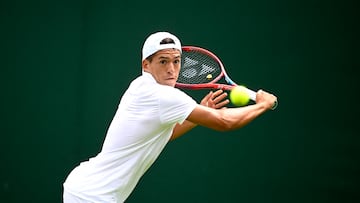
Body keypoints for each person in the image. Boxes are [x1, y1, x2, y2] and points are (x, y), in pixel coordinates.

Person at [63, 31, 277, 203]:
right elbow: (224, 122)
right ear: (146, 65)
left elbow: (164, 133)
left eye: (176, 61)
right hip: (91, 196)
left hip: (87, 190)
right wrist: (262, 105)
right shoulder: (163, 95)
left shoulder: (141, 86)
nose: (172, 69)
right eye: (163, 62)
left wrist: (196, 114)